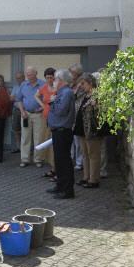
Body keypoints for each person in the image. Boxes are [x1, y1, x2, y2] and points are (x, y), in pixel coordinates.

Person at [47, 69, 76, 199]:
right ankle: (60, 186)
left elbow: (61, 111)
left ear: (62, 80)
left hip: (63, 131)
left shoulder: (67, 92)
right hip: (57, 130)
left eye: (56, 79)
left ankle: (67, 190)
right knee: (59, 161)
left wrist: (53, 101)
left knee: (64, 161)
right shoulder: (61, 92)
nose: (54, 81)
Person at [16, 66, 45, 167]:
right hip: (26, 114)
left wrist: (42, 108)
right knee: (25, 137)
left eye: (31, 74)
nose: (29, 76)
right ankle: (25, 159)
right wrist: (22, 111)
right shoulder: (23, 84)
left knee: (39, 138)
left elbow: (47, 100)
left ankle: (38, 160)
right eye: (27, 74)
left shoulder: (42, 84)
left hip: (39, 115)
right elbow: (18, 99)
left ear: (36, 73)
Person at [80, 73, 103, 189]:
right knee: (85, 154)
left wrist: (96, 105)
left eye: (83, 83)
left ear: (90, 83)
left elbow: (100, 113)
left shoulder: (97, 96)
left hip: (92, 131)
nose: (81, 86)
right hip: (83, 130)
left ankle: (94, 180)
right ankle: (86, 177)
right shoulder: (85, 95)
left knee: (93, 155)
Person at [35, 68, 57, 179]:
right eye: (47, 77)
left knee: (55, 144)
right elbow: (36, 96)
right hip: (45, 118)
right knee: (47, 142)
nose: (49, 79)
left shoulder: (57, 87)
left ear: (54, 77)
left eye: (51, 77)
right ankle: (52, 168)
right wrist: (43, 106)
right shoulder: (44, 87)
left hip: (55, 119)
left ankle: (55, 168)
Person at [69, 63, 85, 171]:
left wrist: (75, 88)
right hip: (70, 114)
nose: (71, 74)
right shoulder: (71, 83)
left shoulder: (82, 83)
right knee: (70, 139)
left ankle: (79, 162)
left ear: (77, 73)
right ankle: (70, 159)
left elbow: (74, 96)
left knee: (78, 141)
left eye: (72, 72)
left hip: (78, 114)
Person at [10, 71, 25, 154]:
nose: (18, 80)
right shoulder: (15, 87)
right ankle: (19, 147)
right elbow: (11, 99)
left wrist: (16, 97)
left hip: (25, 110)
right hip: (16, 110)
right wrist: (19, 97)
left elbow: (25, 99)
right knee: (16, 129)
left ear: (24, 77)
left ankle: (26, 148)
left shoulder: (26, 86)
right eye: (17, 78)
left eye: (19, 78)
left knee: (26, 130)